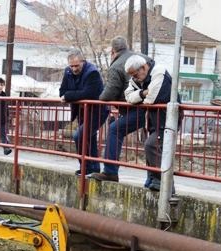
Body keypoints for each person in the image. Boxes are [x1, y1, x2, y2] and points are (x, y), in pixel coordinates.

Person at [93, 37, 152, 183]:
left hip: (138, 108)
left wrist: (98, 98)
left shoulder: (116, 66)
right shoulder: (143, 58)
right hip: (153, 107)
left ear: (112, 51)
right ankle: (152, 179)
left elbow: (109, 94)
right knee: (152, 142)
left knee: (114, 129)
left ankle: (110, 172)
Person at [124, 54, 179, 192]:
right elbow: (129, 97)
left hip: (168, 119)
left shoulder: (159, 71)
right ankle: (154, 179)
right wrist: (143, 93)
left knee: (151, 145)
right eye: (132, 76)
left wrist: (142, 97)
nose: (134, 78)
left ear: (143, 68)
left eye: (135, 74)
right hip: (155, 119)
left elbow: (151, 99)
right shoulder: (138, 79)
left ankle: (166, 184)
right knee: (152, 146)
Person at [59, 50, 106, 177]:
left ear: (83, 62)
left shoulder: (92, 72)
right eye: (71, 66)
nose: (74, 69)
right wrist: (73, 94)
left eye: (76, 66)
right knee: (88, 138)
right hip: (82, 111)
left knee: (79, 136)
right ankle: (92, 167)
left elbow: (88, 94)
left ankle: (86, 166)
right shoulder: (68, 72)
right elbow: (61, 91)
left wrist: (69, 95)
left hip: (97, 111)